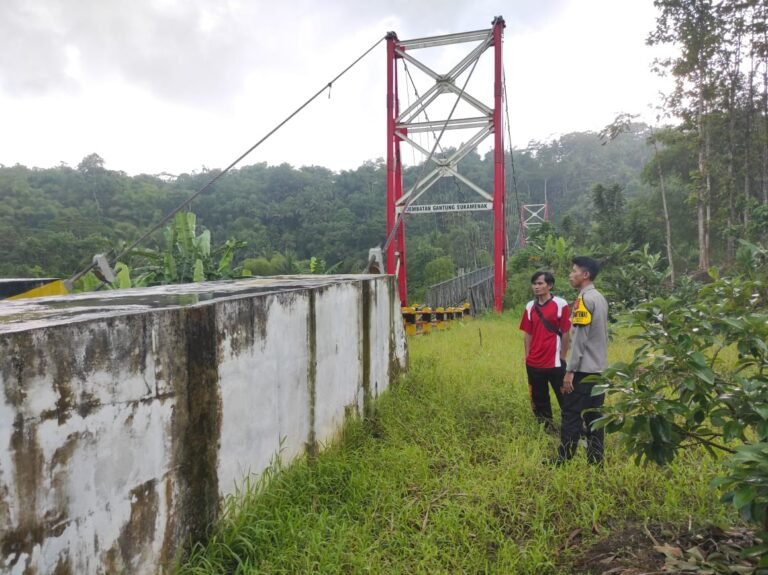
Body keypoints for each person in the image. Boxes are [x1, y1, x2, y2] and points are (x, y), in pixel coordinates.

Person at [556, 256, 609, 465]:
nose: (571, 274)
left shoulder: (583, 300)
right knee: (595, 417)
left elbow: (579, 338)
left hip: (582, 371)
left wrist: (570, 371)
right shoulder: (600, 298)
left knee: (571, 414)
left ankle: (563, 460)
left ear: (585, 275)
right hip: (599, 370)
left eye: (574, 270)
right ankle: (596, 461)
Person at [519, 271, 571, 433]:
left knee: (566, 397)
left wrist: (562, 357)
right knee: (539, 398)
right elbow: (528, 334)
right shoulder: (529, 306)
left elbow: (565, 333)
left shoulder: (561, 304)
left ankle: (572, 428)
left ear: (550, 285)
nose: (536, 286)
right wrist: (528, 357)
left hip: (555, 362)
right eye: (534, 283)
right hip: (534, 363)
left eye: (540, 283)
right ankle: (547, 428)